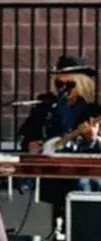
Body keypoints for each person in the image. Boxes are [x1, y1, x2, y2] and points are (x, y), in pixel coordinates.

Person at [18, 55, 101, 215]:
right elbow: (28, 132)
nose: (63, 88)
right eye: (59, 83)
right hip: (51, 172)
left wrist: (92, 139)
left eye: (69, 84)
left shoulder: (93, 112)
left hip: (82, 177)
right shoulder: (46, 106)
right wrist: (31, 143)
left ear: (82, 83)